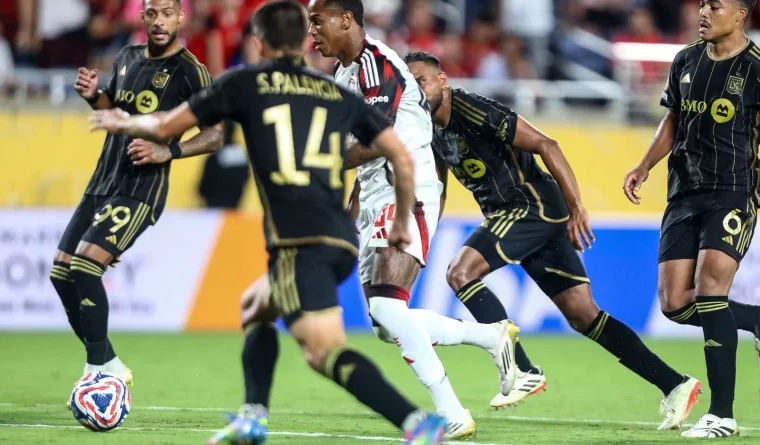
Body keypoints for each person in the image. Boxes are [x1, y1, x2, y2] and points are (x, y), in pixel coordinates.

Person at [89, 2, 450, 444]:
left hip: (300, 239)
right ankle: (253, 415)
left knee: (324, 352)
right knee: (254, 306)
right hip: (339, 234)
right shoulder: (335, 90)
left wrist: (121, 120)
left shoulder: (245, 83)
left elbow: (166, 126)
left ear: (258, 42)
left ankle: (416, 422)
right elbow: (400, 153)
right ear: (301, 42)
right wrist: (402, 218)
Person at [404, 50, 705, 430]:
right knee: (583, 314)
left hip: (531, 206)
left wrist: (577, 207)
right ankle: (675, 384)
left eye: (422, 81)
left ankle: (521, 369)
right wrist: (425, 229)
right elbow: (438, 184)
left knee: (460, 272)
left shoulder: (475, 110)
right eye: (409, 84)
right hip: (518, 215)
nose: (416, 90)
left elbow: (548, 144)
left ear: (443, 81)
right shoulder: (427, 126)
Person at [307, 0, 521, 437]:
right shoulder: (345, 73)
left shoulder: (376, 65)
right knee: (385, 324)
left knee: (388, 306)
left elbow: (379, 141)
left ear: (345, 19)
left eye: (316, 21)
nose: (312, 32)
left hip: (406, 190)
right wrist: (351, 206)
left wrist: (317, 158)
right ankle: (490, 336)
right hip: (375, 193)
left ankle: (452, 411)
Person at [52, 0, 223, 403]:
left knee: (85, 266)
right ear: (142, 16)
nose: (159, 21)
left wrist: (169, 151)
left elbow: (215, 135)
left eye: (167, 13)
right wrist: (95, 96)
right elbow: (114, 114)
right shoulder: (127, 56)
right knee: (61, 273)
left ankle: (97, 372)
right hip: (102, 182)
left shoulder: (191, 72)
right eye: (152, 13)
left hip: (140, 189)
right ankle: (109, 362)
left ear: (181, 16)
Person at [623, 0, 760, 437]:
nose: (703, 11)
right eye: (701, 4)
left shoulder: (756, 69)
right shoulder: (685, 60)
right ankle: (756, 320)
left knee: (711, 288)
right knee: (674, 303)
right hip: (683, 193)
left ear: (740, 14)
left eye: (714, 5)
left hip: (733, 191)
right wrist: (644, 166)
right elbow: (673, 120)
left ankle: (722, 415)